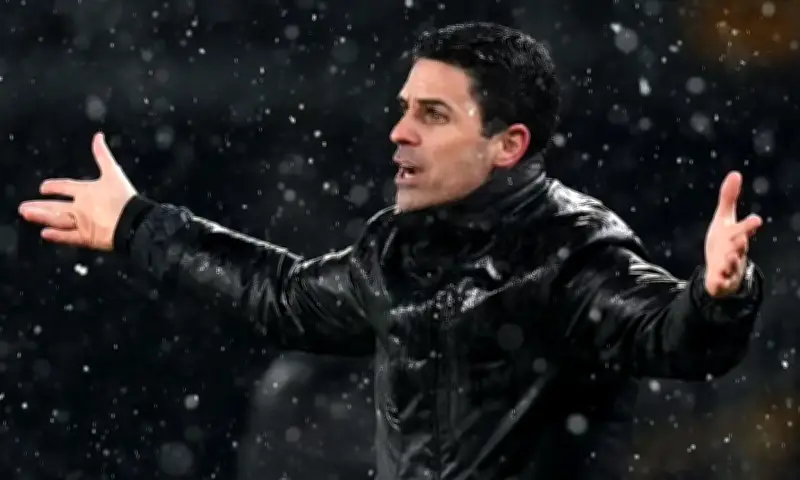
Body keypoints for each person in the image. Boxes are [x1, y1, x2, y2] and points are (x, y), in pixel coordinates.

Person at [18, 22, 764, 480]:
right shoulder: (398, 250)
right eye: (405, 109)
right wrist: (137, 224)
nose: (399, 132)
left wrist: (717, 296)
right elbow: (282, 298)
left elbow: (672, 336)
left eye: (431, 115)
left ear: (508, 145)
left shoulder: (572, 251)